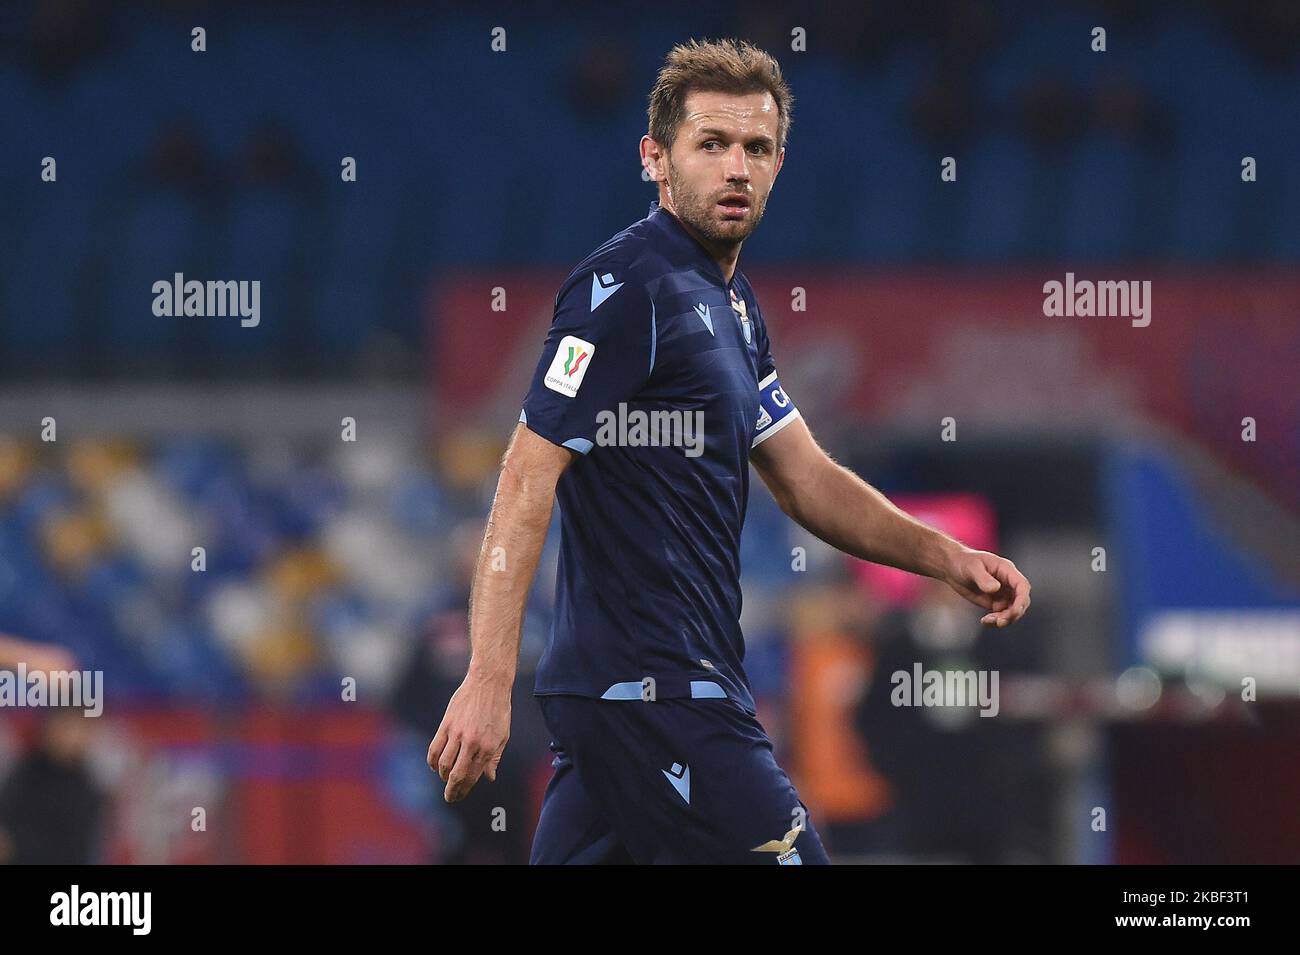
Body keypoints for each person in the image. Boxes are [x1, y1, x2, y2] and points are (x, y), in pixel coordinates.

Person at [427, 38, 1031, 864]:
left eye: (756, 147)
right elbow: (528, 473)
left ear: (780, 162)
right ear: (656, 158)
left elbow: (805, 478)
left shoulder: (735, 310)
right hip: (662, 691)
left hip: (635, 697)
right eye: (711, 144)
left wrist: (942, 555)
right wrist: (488, 678)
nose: (736, 166)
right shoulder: (624, 289)